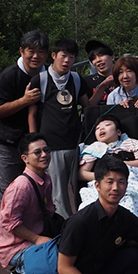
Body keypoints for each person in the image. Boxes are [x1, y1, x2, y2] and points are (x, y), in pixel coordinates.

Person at [0, 29, 49, 223]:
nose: (36, 56)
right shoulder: (9, 76)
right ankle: (6, 239)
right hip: (6, 143)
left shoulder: (47, 74)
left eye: (41, 52)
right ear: (22, 51)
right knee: (7, 192)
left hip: (32, 142)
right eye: (31, 50)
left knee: (33, 187)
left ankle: (29, 233)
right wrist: (24, 100)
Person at [27, 38, 90, 218]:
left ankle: (85, 222)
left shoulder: (77, 79)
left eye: (71, 57)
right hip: (51, 145)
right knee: (58, 194)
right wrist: (34, 144)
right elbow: (31, 114)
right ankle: (64, 229)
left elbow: (88, 106)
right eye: (63, 56)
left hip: (76, 144)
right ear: (54, 56)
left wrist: (102, 86)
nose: (67, 61)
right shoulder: (40, 80)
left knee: (82, 188)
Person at [0, 133, 58, 274]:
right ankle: (21, 270)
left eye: (47, 150)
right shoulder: (20, 187)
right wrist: (37, 239)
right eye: (37, 152)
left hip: (39, 233)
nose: (44, 155)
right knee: (58, 261)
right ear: (25, 158)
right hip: (15, 247)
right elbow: (8, 222)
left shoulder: (46, 178)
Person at [78, 115, 138, 183]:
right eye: (97, 128)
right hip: (103, 183)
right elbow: (82, 173)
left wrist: (123, 164)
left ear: (118, 132)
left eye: (107, 125)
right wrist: (106, 177)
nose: (101, 128)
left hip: (130, 180)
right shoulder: (93, 148)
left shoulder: (131, 143)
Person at [82, 40, 116, 105]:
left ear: (112, 57)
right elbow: (87, 107)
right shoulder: (87, 81)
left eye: (101, 55)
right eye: (93, 58)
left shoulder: (123, 78)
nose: (98, 60)